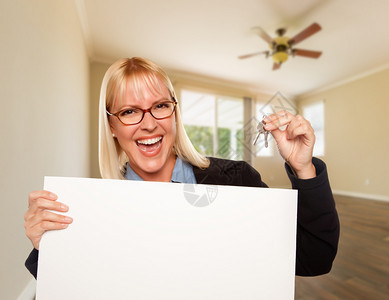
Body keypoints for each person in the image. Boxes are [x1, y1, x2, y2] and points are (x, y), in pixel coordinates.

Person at [24, 57, 339, 278]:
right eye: (130, 111)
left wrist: (303, 168)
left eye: (160, 106)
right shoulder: (89, 211)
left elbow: (315, 258)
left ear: (174, 113)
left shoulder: (237, 179)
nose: (149, 124)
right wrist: (49, 247)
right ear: (111, 126)